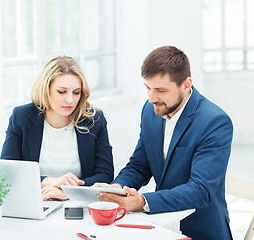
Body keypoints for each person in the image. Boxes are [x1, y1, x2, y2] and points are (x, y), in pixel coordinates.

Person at [94, 46, 233, 239]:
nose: (152, 98)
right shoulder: (151, 110)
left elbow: (200, 190)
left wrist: (142, 201)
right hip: (161, 226)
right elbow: (139, 165)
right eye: (148, 88)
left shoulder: (215, 122)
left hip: (201, 230)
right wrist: (117, 189)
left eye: (160, 90)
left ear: (186, 85)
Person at [0, 56, 114, 201]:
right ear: (46, 90)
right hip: (35, 201)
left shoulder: (94, 120)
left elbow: (105, 174)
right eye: (62, 91)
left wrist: (70, 192)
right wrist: (48, 181)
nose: (70, 100)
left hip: (78, 203)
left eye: (76, 92)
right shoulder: (21, 116)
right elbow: (7, 171)